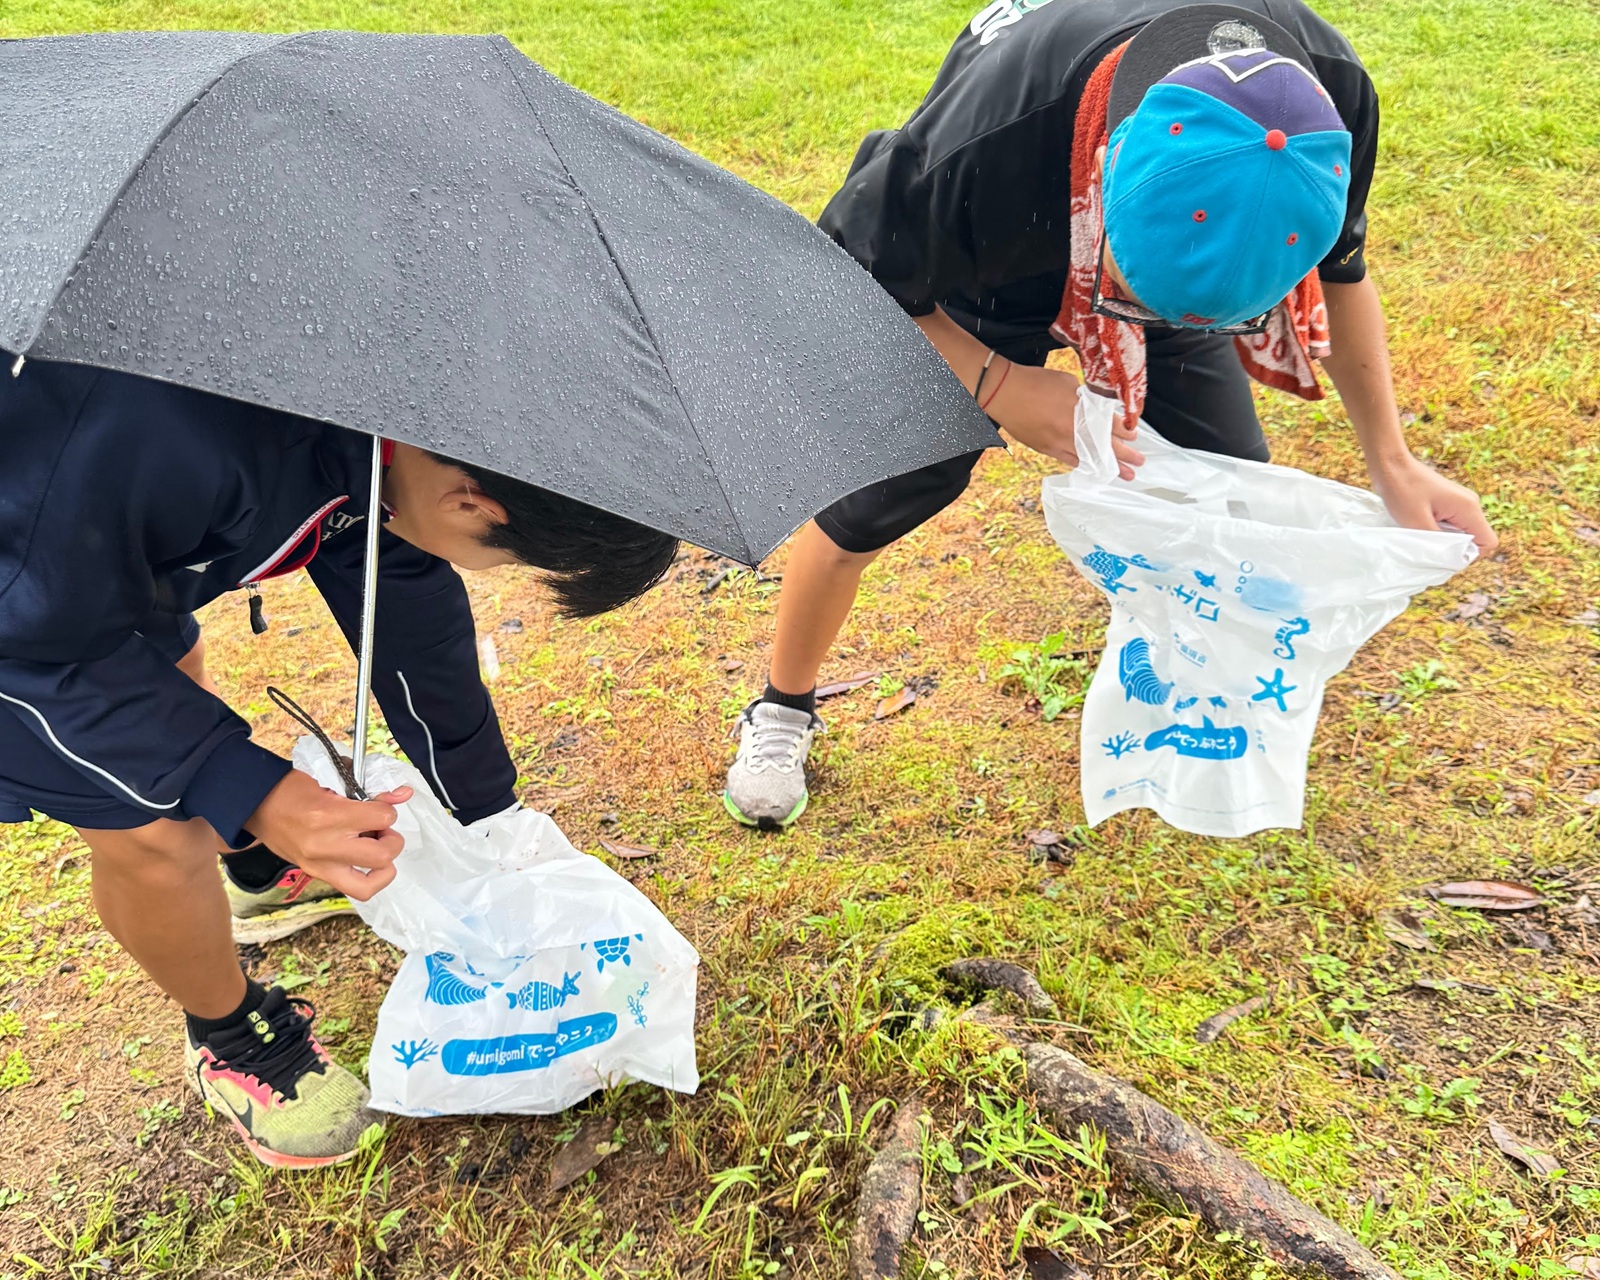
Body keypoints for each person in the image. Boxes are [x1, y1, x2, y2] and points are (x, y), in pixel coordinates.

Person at [722, 0, 1497, 830]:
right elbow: (848, 269)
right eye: (1133, 296)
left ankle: (1187, 678)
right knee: (872, 501)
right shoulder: (986, 141)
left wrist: (1392, 458)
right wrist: (998, 385)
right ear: (1106, 172)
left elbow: (1343, 277)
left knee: (1225, 484)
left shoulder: (1326, 102)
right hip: (990, 265)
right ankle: (782, 708)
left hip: (1170, 251)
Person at [0, 359, 677, 1167]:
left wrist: (482, 803)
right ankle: (229, 1034)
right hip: (23, 591)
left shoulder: (387, 402)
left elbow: (399, 586)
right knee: (155, 825)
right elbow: (34, 645)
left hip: (86, 541)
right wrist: (246, 787)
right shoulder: (171, 435)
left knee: (170, 677)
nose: (490, 568)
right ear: (471, 502)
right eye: (509, 560)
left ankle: (254, 872)